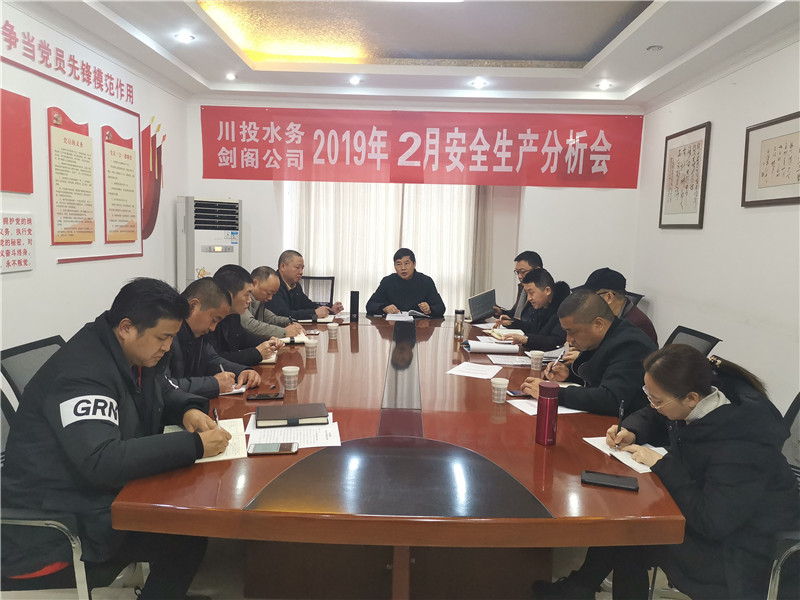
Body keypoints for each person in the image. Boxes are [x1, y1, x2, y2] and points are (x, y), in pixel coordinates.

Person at [1, 278, 231, 599]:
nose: (168, 347)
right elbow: (102, 460)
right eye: (163, 337)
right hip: (56, 527)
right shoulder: (82, 374)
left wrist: (187, 411)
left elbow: (160, 391)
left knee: (185, 528)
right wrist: (194, 446)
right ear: (126, 328)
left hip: (90, 499)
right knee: (183, 537)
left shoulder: (130, 353)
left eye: (171, 338)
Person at [532, 345, 800, 600]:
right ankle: (580, 587)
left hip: (747, 550)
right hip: (718, 513)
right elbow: (654, 414)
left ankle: (580, 587)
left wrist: (663, 464)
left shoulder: (740, 445)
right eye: (649, 396)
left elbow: (712, 522)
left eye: (657, 400)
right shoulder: (700, 395)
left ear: (691, 399)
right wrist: (631, 430)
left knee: (634, 532)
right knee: (628, 524)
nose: (652, 404)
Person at [521, 290, 656, 416]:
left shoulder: (630, 345)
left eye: (572, 332)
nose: (568, 340)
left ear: (598, 324)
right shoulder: (606, 335)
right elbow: (601, 377)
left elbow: (611, 399)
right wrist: (570, 374)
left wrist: (552, 393)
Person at [169, 277, 261, 398]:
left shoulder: (197, 333)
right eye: (214, 320)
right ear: (193, 306)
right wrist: (214, 384)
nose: (213, 328)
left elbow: (212, 360)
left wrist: (243, 371)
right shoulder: (166, 335)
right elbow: (165, 386)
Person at [210, 265, 284, 366]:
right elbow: (214, 359)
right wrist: (256, 354)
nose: (249, 300)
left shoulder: (233, 314)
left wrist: (268, 342)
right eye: (247, 294)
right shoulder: (208, 319)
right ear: (229, 294)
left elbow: (242, 336)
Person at [577, 267, 658, 344]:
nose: (588, 301)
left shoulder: (639, 325)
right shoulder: (606, 316)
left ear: (609, 297)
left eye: (591, 296)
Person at [494, 268, 569, 351]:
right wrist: (512, 323)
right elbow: (532, 329)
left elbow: (557, 341)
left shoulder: (564, 310)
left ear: (547, 291)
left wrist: (527, 339)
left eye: (531, 292)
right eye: (527, 293)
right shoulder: (540, 305)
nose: (529, 298)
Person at [365, 248, 446, 318]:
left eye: (406, 263)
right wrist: (384, 308)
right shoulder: (387, 281)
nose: (403, 268)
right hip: (392, 326)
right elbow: (370, 305)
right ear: (394, 266)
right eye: (398, 264)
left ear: (414, 264)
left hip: (419, 326)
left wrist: (429, 309)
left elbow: (441, 307)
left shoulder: (426, 281)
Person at [265, 250, 344, 321]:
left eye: (302, 268)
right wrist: (314, 313)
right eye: (297, 267)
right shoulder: (273, 285)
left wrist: (330, 309)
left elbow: (307, 304)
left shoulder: (295, 285)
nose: (301, 272)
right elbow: (282, 314)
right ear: (283, 266)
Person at [242, 265, 306, 338]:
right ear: (254, 283)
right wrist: (285, 332)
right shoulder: (241, 300)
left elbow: (272, 319)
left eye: (273, 294)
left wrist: (291, 322)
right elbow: (250, 325)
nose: (270, 298)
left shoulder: (259, 302)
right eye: (269, 293)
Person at [492, 250, 544, 320]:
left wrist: (514, 323)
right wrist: (501, 312)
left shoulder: (543, 292)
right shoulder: (522, 288)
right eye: (517, 272)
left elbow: (532, 323)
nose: (519, 276)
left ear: (537, 270)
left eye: (523, 272)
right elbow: (515, 314)